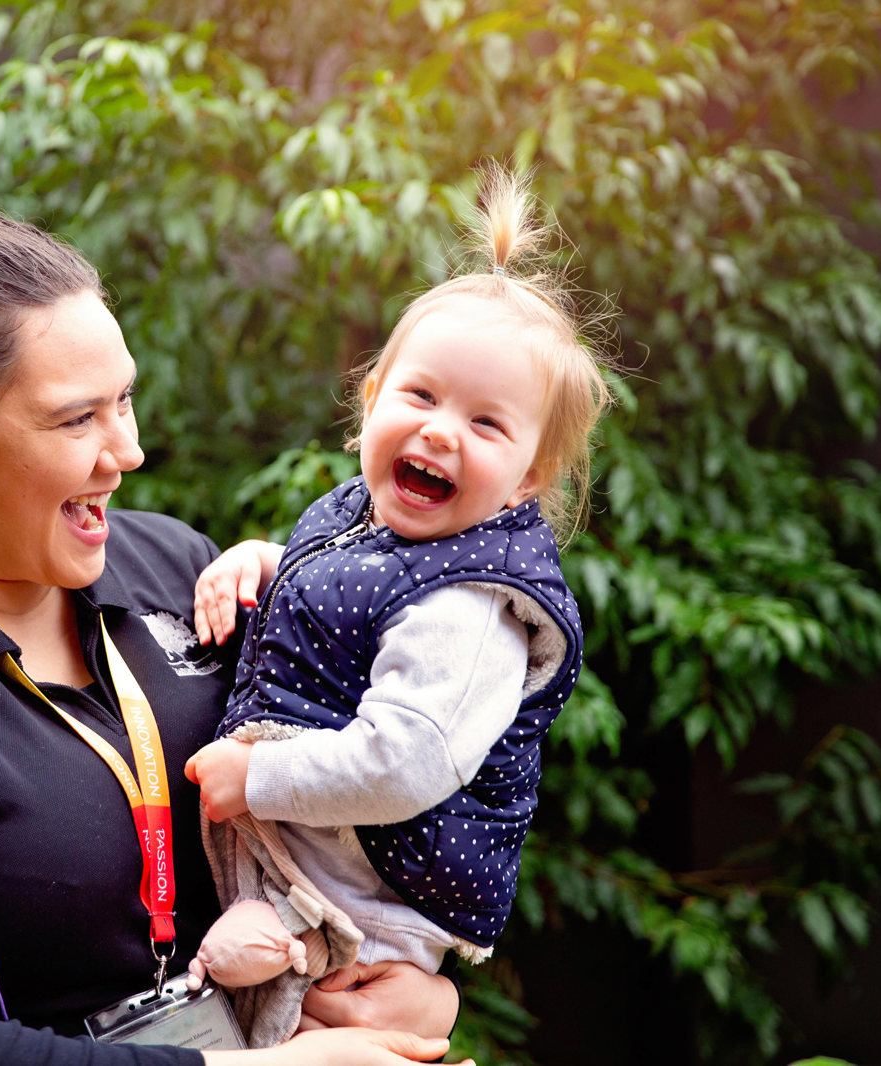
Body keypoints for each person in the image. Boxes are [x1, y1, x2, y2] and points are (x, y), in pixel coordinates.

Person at [0, 148, 466, 1066]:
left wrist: (410, 980)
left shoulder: (179, 568)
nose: (127, 452)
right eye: (75, 420)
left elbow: (358, 818)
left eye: (125, 400)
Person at [183, 167, 610, 1045]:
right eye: (421, 395)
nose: (442, 430)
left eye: (488, 424)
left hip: (367, 918)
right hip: (317, 880)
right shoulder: (365, 523)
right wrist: (260, 562)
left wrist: (255, 779)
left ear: (526, 480)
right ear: (372, 397)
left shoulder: (470, 607)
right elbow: (330, 590)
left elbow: (408, 761)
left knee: (313, 1040)